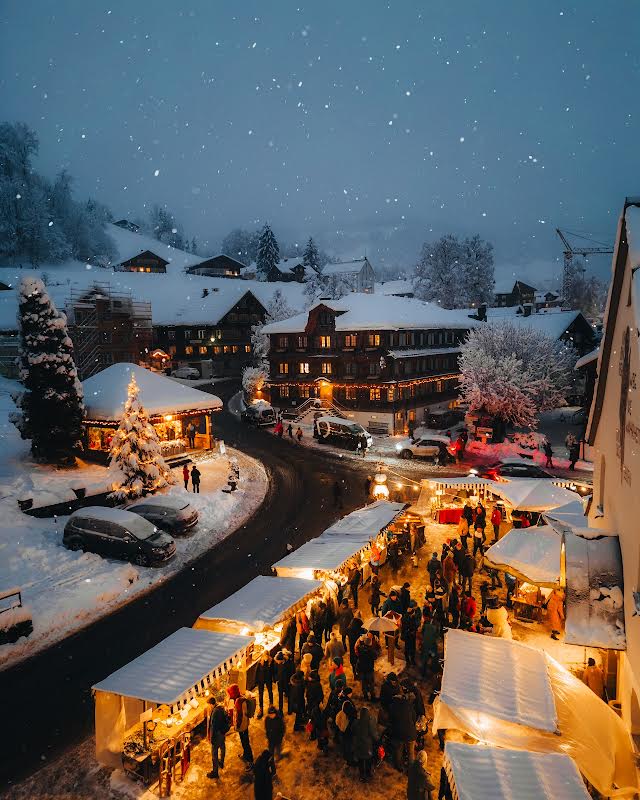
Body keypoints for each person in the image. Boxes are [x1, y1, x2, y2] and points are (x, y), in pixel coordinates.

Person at [389, 689, 417, 771]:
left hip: (399, 734)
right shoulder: (408, 705)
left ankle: (399, 767)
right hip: (410, 733)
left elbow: (391, 720)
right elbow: (414, 717)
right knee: (411, 753)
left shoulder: (392, 707)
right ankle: (411, 770)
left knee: (398, 750)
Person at [226, 683, 253, 764]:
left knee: (245, 743)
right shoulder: (240, 697)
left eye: (229, 693)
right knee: (244, 742)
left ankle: (250, 761)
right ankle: (245, 755)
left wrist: (236, 727)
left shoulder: (239, 702)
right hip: (245, 724)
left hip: (242, 726)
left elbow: (240, 717)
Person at [352, 706, 378, 782]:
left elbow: (352, 730)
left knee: (360, 761)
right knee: (368, 761)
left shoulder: (356, 722)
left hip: (359, 746)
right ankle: (368, 773)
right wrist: (378, 740)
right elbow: (374, 735)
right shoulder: (369, 723)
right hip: (367, 747)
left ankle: (362, 775)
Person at [206, 696, 229, 779]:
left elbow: (214, 727)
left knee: (214, 754)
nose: (208, 707)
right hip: (222, 733)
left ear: (211, 704)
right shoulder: (221, 708)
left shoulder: (215, 712)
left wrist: (211, 739)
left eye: (208, 705)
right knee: (223, 747)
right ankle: (221, 762)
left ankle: (215, 772)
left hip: (217, 735)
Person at [355, 631, 377, 700]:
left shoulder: (360, 649)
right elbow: (375, 657)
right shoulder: (371, 651)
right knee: (371, 683)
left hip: (362, 669)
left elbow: (357, 653)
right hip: (369, 669)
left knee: (363, 683)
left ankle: (365, 696)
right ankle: (372, 696)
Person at [255, 651, 275, 719]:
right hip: (261, 680)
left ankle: (271, 705)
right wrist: (256, 680)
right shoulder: (260, 661)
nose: (265, 657)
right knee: (261, 694)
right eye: (264, 656)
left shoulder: (271, 661)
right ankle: (261, 709)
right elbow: (256, 671)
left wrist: (274, 679)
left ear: (268, 656)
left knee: (270, 692)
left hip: (268, 679)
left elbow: (272, 671)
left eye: (267, 656)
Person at [274, 649, 294, 714]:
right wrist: (276, 679)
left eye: (278, 661)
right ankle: (280, 710)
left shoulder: (289, 663)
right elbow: (276, 671)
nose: (277, 662)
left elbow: (292, 673)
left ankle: (290, 710)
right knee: (280, 697)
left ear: (281, 660)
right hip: (280, 682)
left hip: (287, 683)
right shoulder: (278, 664)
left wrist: (290, 681)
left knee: (289, 696)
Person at [346, 612, 365, 676]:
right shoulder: (360, 624)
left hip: (352, 646)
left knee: (353, 661)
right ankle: (360, 673)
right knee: (359, 660)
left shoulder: (350, 626)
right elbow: (363, 635)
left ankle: (355, 674)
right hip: (358, 647)